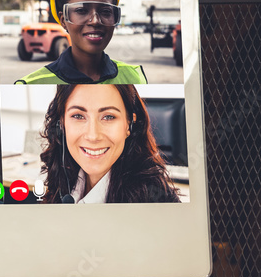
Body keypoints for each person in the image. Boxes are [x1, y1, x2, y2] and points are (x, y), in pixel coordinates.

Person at [38, 84, 180, 204]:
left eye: (108, 117)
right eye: (78, 116)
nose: (93, 136)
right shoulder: (62, 182)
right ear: (61, 124)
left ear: (129, 124)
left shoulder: (156, 201)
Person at [17, 0, 148, 85]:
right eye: (81, 11)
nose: (95, 21)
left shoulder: (135, 78)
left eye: (106, 12)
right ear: (63, 20)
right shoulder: (32, 84)